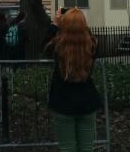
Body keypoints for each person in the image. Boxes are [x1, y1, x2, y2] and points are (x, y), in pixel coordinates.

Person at [44, 8, 102, 152]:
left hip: (62, 101)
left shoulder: (57, 45)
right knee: (87, 147)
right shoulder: (92, 45)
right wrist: (80, 25)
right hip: (87, 101)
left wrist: (55, 24)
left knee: (67, 147)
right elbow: (86, 35)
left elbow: (43, 46)